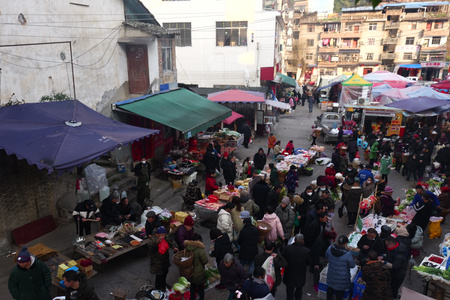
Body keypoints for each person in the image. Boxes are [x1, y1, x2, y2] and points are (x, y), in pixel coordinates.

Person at [148, 226, 179, 291]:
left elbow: (171, 241)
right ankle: (158, 288)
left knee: (165, 272)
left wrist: (174, 247)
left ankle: (163, 284)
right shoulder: (153, 238)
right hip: (157, 262)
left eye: (164, 235)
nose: (163, 236)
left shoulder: (165, 237)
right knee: (159, 275)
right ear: (157, 234)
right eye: (162, 235)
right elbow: (151, 245)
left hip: (165, 259)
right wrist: (158, 241)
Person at [325, 235, 355, 300]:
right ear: (345, 243)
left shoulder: (330, 248)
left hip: (331, 274)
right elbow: (352, 265)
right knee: (339, 294)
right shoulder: (347, 254)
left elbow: (326, 256)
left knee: (329, 291)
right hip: (342, 278)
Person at [282, 234, 311, 300]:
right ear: (302, 241)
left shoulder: (288, 248)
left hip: (289, 274)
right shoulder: (306, 251)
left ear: (294, 240)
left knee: (289, 291)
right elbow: (309, 262)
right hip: (300, 275)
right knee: (299, 290)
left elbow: (283, 258)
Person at [185, 234, 208, 300]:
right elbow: (205, 261)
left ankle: (192, 298)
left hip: (190, 271)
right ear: (198, 240)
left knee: (192, 286)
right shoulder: (199, 250)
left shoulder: (188, 247)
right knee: (200, 288)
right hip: (199, 273)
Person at [238, 211, 259, 276]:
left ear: (244, 223)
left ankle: (241, 275)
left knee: (242, 264)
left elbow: (239, 241)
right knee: (252, 264)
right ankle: (250, 276)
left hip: (244, 250)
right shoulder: (256, 229)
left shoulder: (243, 231)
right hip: (253, 250)